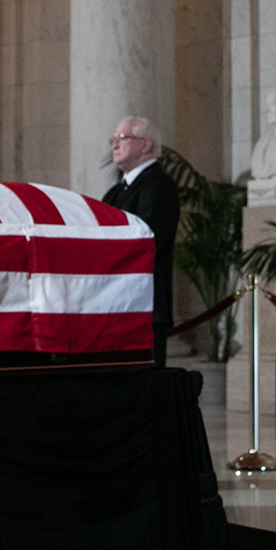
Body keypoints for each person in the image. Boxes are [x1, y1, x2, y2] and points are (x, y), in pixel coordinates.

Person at [102, 116, 179, 365]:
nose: (114, 145)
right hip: (116, 301)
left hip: (144, 304)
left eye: (122, 138)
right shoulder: (115, 193)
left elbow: (145, 240)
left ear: (145, 144)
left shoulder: (160, 186)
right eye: (113, 139)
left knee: (145, 381)